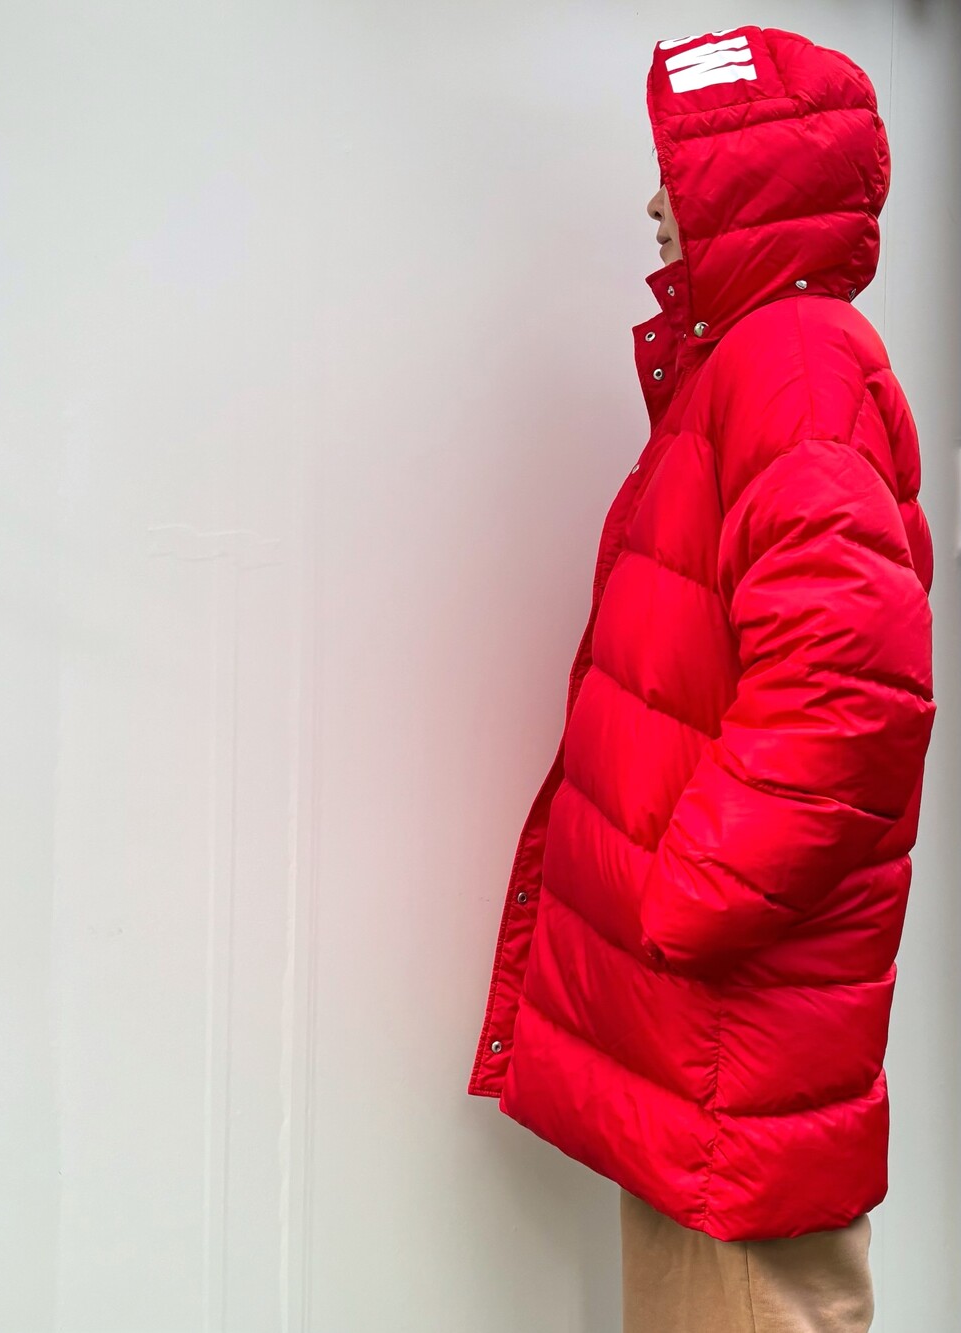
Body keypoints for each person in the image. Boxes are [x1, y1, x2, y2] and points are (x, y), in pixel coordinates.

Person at [467, 24, 937, 1333]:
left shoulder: (793, 366)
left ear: (754, 187)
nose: (655, 206)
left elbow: (850, 683)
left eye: (679, 172)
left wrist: (692, 899)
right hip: (712, 1024)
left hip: (738, 1008)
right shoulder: (759, 365)